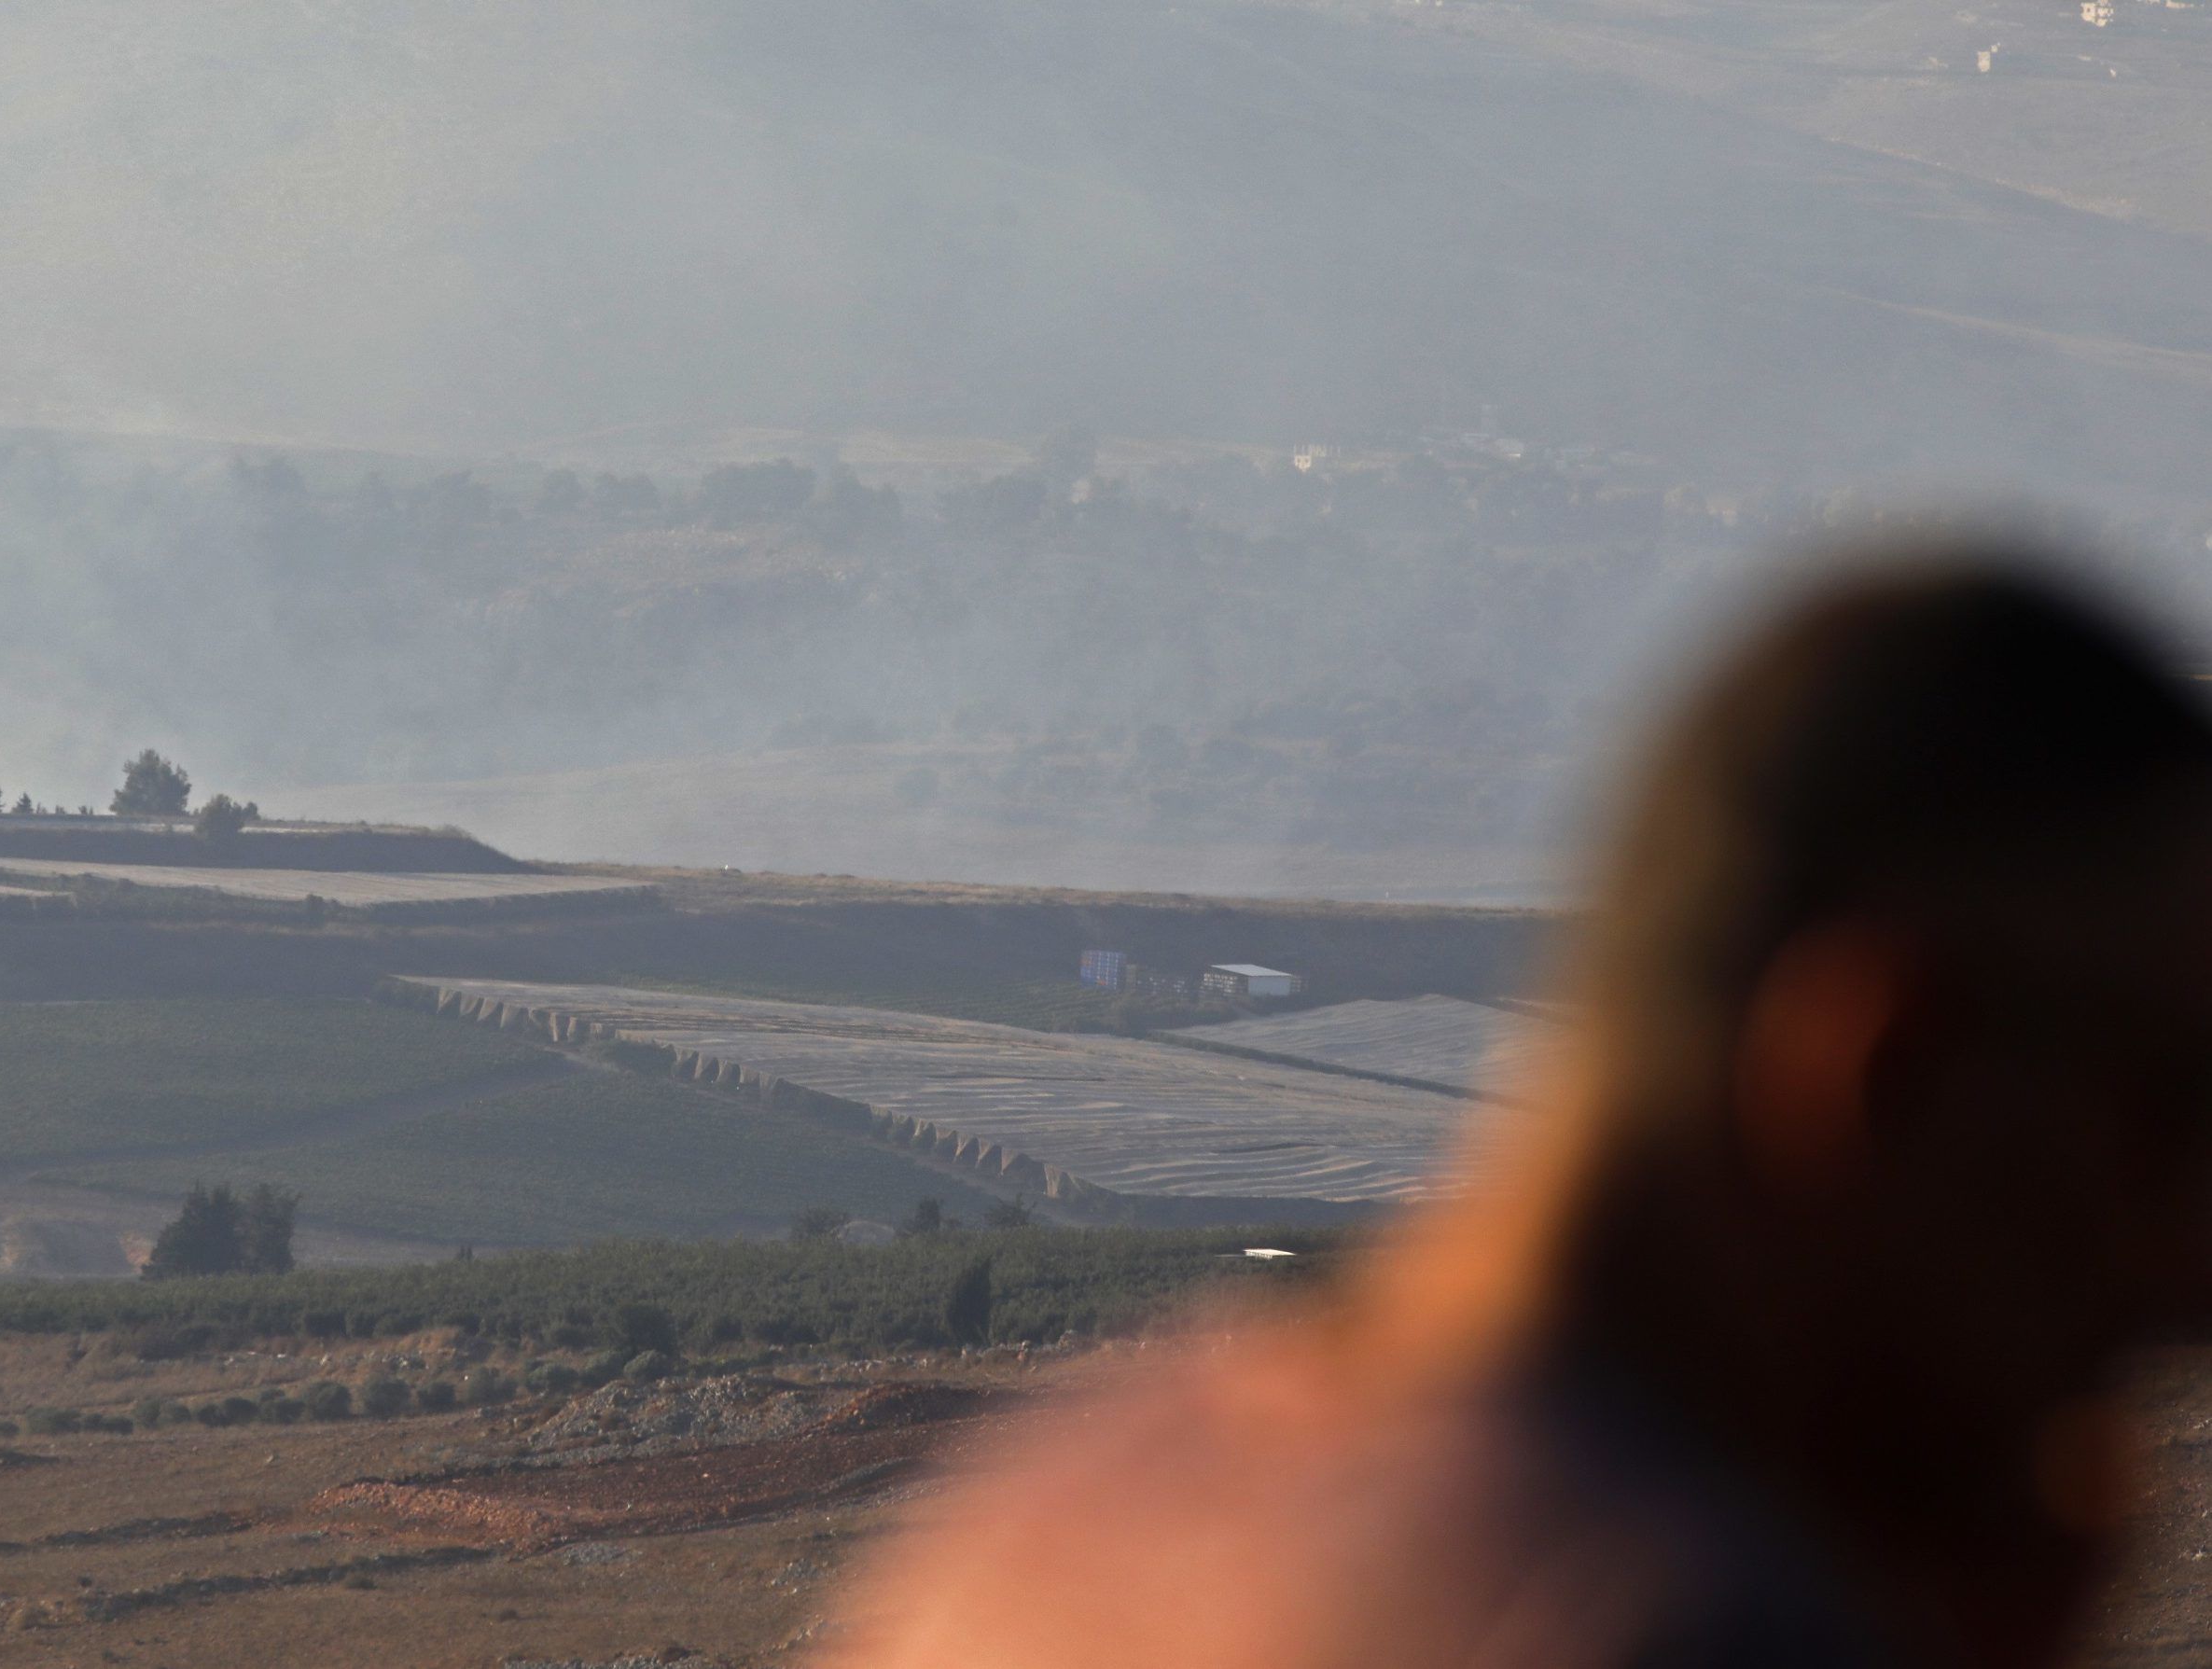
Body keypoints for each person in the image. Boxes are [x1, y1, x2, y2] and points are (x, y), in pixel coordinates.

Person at [831, 549, 2212, 1669]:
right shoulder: (1676, 1620)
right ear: (1879, 1065)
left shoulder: (1056, 1511)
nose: (2177, 1289)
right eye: (2160, 1132)